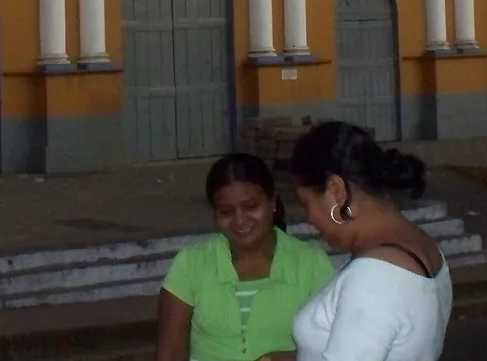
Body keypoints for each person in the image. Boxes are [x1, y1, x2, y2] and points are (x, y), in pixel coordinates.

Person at [287, 121, 450, 361]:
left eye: (306, 202)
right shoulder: (422, 245)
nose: (309, 217)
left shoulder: (374, 277)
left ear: (336, 191)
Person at [157, 153, 334, 361]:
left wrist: (290, 358)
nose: (240, 221)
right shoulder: (191, 264)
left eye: (251, 207)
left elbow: (333, 347)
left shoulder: (311, 264)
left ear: (272, 202)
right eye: (226, 212)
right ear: (215, 214)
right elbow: (169, 354)